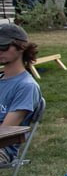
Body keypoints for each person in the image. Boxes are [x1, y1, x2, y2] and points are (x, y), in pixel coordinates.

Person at [0, 24, 42, 165]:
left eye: (4, 46)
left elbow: (4, 133)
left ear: (21, 47)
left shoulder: (26, 87)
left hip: (3, 149)